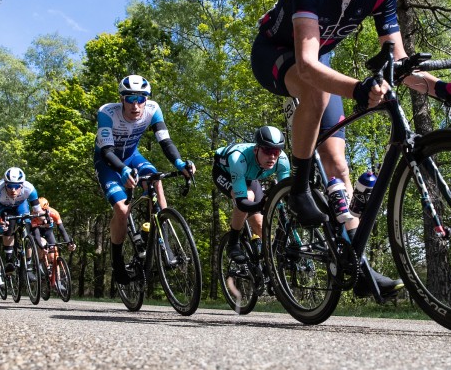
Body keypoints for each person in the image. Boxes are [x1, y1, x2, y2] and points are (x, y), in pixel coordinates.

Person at [250, 0, 451, 299]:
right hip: (274, 54)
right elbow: (305, 64)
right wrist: (357, 88)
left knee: (339, 165)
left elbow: (400, 62)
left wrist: (444, 89)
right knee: (316, 87)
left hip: (318, 61)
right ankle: (301, 187)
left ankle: (357, 266)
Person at [94, 75, 195, 285]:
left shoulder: (153, 109)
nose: (136, 105)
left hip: (133, 157)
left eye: (141, 99)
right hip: (108, 163)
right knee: (122, 210)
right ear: (121, 99)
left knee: (156, 180)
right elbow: (106, 150)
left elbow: (165, 141)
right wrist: (122, 171)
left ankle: (162, 239)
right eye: (130, 98)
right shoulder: (107, 113)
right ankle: (118, 261)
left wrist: (179, 163)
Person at [212, 125, 290, 264]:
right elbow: (242, 202)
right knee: (248, 198)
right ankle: (233, 243)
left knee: (260, 226)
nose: (272, 156)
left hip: (250, 176)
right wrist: (261, 205)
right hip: (225, 173)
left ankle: (267, 265)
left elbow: (286, 193)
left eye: (276, 152)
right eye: (267, 150)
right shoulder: (238, 158)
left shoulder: (282, 161)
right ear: (256, 149)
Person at [0, 167, 41, 289]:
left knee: (27, 230)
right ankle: (9, 260)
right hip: (4, 209)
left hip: (21, 206)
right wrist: (0, 225)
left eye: (17, 186)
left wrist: (46, 219)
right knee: (9, 226)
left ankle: (29, 266)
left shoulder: (30, 189)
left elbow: (38, 211)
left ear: (22, 185)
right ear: (4, 183)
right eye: (10, 186)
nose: (13, 189)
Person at [31, 197, 76, 270]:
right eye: (40, 210)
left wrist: (69, 244)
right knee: (42, 243)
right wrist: (42, 247)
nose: (42, 212)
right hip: (38, 231)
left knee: (53, 256)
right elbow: (36, 235)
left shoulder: (54, 213)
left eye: (44, 210)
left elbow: (62, 230)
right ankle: (39, 263)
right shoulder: (33, 215)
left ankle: (57, 279)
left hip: (48, 232)